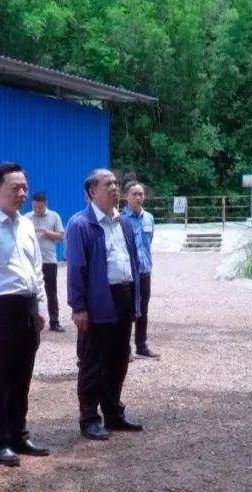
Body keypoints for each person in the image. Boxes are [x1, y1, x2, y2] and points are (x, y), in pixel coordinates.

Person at [0, 163, 51, 466]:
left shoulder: (26, 225)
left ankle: (19, 434)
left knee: (22, 376)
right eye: (14, 188)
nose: (21, 193)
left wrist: (41, 306)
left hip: (27, 306)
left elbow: (36, 269)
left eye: (24, 188)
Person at [66, 169, 145, 440]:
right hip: (98, 300)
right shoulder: (80, 225)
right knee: (93, 362)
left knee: (118, 359)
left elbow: (133, 263)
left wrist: (135, 302)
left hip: (124, 295)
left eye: (116, 183)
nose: (114, 187)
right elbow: (76, 268)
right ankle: (89, 418)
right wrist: (79, 307)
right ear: (92, 192)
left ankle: (114, 414)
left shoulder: (124, 223)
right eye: (108, 184)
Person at [123, 181, 160, 359]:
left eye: (141, 194)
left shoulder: (149, 218)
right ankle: (125, 349)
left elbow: (148, 242)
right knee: (127, 310)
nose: (138, 197)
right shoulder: (120, 219)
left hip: (145, 270)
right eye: (134, 194)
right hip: (128, 273)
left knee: (143, 310)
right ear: (126, 196)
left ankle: (141, 345)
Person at [25, 191, 66, 332]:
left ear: (46, 204)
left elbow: (61, 235)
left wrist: (46, 232)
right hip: (31, 261)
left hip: (49, 261)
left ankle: (54, 322)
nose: (37, 209)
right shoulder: (26, 218)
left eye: (40, 207)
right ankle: (33, 322)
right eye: (35, 206)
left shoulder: (54, 216)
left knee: (51, 292)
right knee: (31, 291)